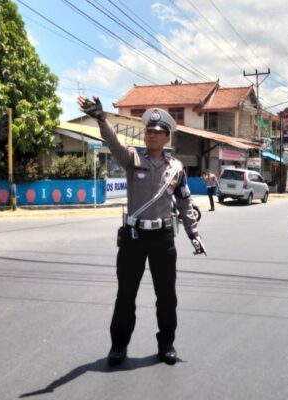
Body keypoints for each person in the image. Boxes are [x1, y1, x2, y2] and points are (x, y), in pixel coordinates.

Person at [77, 96, 206, 367]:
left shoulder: (177, 170)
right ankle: (118, 346)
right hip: (134, 238)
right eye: (148, 131)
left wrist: (194, 234)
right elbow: (113, 143)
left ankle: (167, 343)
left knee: (166, 296)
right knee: (126, 295)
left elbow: (184, 202)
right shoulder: (132, 159)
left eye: (157, 133)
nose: (151, 136)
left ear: (167, 137)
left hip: (162, 238)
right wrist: (102, 118)